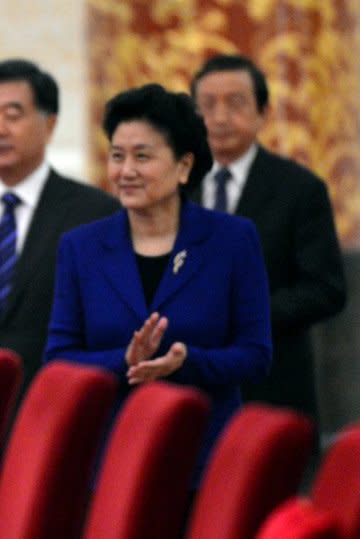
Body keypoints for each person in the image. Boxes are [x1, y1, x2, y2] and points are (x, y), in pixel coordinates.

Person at [44, 83, 272, 483]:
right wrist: (126, 361)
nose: (125, 170)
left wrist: (187, 361)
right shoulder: (81, 247)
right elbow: (59, 356)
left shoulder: (233, 240)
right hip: (111, 457)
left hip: (208, 458)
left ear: (184, 166)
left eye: (142, 156)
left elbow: (255, 355)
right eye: (117, 156)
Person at [0, 58, 119, 397]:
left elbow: (104, 326)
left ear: (49, 125)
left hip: (58, 408)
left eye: (13, 115)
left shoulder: (96, 212)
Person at [190, 54, 346, 422]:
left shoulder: (299, 189)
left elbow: (325, 290)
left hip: (271, 385)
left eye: (236, 103)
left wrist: (244, 314)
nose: (220, 117)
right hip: (191, 388)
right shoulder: (177, 188)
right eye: (207, 105)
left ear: (263, 113)